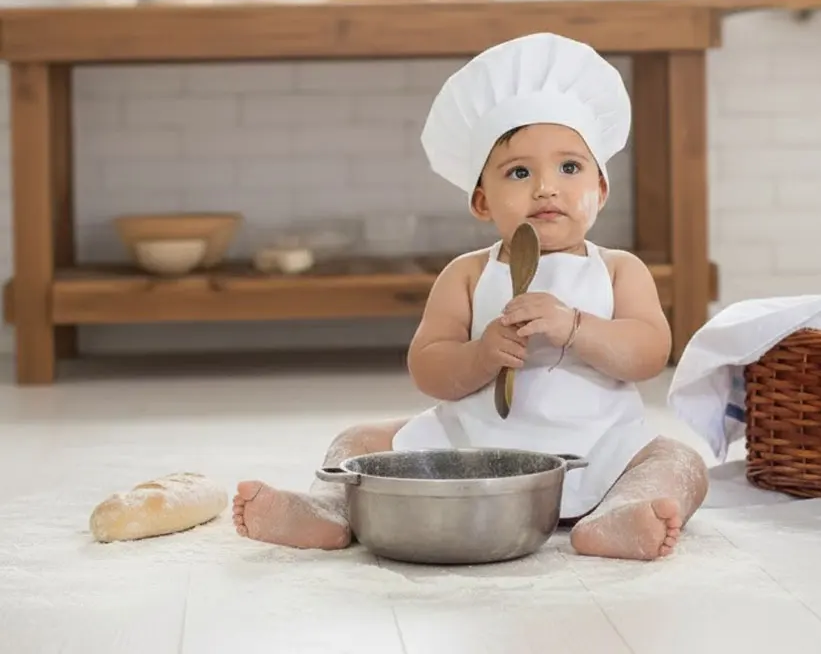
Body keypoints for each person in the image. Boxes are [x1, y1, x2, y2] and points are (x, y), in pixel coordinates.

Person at [233, 32, 708, 560]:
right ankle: (328, 508)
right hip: (474, 448)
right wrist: (480, 356)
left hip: (599, 446)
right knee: (360, 441)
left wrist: (576, 326)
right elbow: (429, 367)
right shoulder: (467, 275)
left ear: (601, 189)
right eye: (519, 172)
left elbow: (648, 354)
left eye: (570, 167)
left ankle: (620, 514)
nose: (546, 187)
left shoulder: (619, 270)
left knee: (677, 459)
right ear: (482, 201)